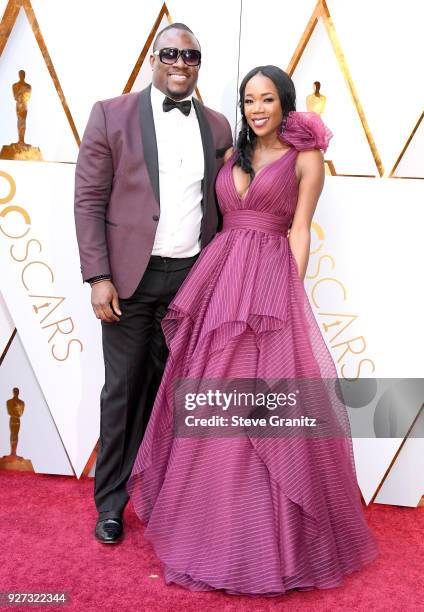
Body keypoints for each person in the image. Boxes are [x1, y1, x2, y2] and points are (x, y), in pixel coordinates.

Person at [127, 65, 379, 595]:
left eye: (267, 99)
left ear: (285, 103)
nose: (257, 108)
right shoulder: (229, 156)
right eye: (248, 100)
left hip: (269, 283)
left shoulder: (306, 158)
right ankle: (209, 529)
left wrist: (288, 293)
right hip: (220, 281)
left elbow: (301, 228)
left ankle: (272, 542)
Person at [74, 23, 232, 544]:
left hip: (191, 281)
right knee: (122, 390)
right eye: (170, 53)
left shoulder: (218, 127)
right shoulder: (110, 114)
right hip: (128, 281)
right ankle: (112, 504)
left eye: (191, 55)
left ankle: (171, 500)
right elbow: (89, 200)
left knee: (180, 396)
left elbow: (223, 205)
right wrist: (98, 276)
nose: (180, 62)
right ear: (153, 59)